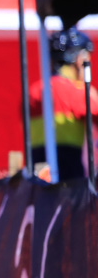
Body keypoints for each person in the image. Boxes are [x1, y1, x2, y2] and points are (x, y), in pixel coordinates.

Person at [30, 27, 98, 182]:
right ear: (80, 60)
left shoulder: (33, 92)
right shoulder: (79, 92)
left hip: (40, 175)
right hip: (69, 179)